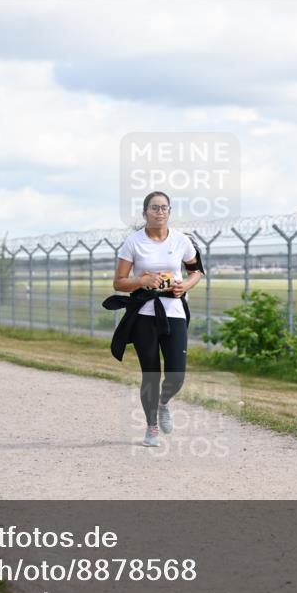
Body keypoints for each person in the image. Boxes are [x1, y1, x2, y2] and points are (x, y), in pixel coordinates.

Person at [106, 191, 204, 447]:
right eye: (154, 207)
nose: (159, 212)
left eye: (164, 207)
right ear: (145, 212)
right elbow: (119, 282)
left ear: (169, 212)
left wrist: (187, 286)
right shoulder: (133, 242)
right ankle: (151, 428)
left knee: (176, 374)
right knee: (150, 374)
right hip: (144, 315)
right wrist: (142, 280)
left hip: (174, 312)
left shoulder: (182, 240)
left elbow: (197, 271)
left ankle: (163, 403)